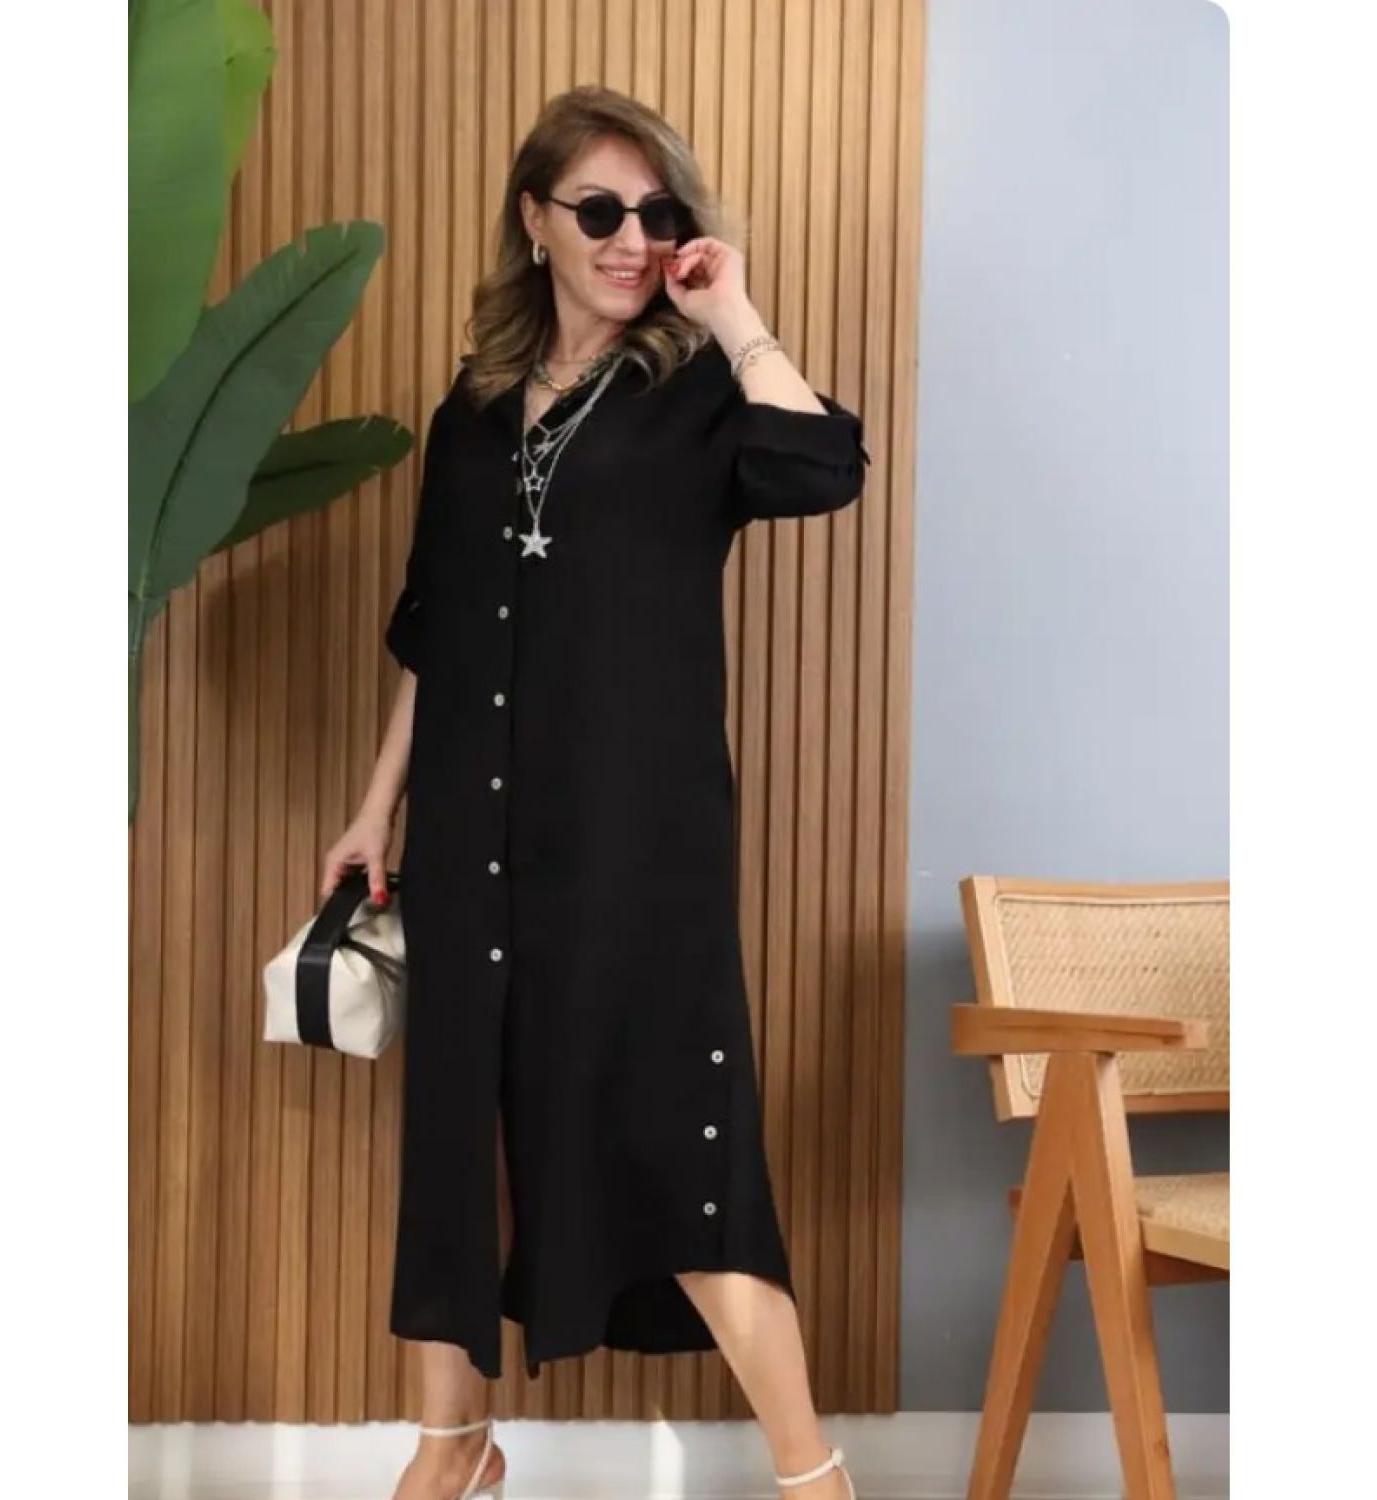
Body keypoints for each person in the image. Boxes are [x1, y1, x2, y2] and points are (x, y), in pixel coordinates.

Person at [321, 84, 870, 1500]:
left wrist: (733, 313)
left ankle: (812, 1474)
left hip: (638, 838)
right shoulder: (472, 414)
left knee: (682, 1136)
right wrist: (378, 809)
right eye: (602, 210)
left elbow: (822, 469)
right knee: (461, 1129)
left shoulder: (701, 394)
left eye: (657, 213)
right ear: (536, 221)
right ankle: (452, 1448)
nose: (633, 239)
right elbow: (439, 632)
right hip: (474, 828)